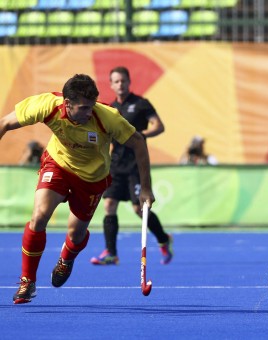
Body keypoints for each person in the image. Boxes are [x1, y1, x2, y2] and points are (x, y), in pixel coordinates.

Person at [0, 74, 155, 304]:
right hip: (58, 164)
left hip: (92, 178)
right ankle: (27, 281)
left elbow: (138, 143)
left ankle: (66, 258)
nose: (89, 113)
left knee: (76, 234)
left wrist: (146, 188)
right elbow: (4, 123)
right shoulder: (46, 105)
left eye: (91, 107)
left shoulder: (107, 117)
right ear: (67, 103)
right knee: (39, 216)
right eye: (83, 108)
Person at [90, 66, 173, 266]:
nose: (120, 85)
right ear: (111, 85)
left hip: (136, 163)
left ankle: (163, 239)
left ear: (129, 82)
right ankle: (111, 252)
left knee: (139, 209)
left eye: (123, 81)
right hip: (116, 164)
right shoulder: (109, 109)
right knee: (109, 204)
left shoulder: (141, 104)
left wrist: (142, 136)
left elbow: (159, 126)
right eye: (116, 81)